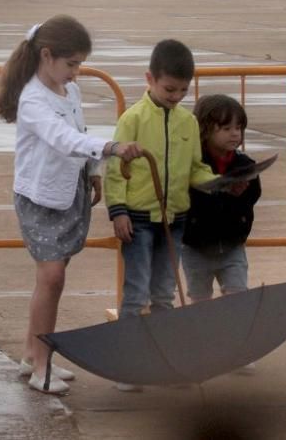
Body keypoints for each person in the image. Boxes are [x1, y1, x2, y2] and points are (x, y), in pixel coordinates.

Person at [0, 15, 142, 395]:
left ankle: (32, 354)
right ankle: (42, 363)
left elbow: (78, 132)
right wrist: (109, 148)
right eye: (72, 63)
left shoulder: (68, 91)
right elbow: (60, 137)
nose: (77, 72)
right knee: (52, 278)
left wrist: (94, 171)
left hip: (69, 190)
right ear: (47, 55)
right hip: (40, 198)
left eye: (79, 64)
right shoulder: (32, 99)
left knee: (53, 281)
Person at [104, 39, 217, 391]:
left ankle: (165, 361)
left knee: (165, 293)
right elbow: (114, 168)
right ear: (149, 79)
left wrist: (219, 183)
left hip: (175, 221)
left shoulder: (187, 121)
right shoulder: (132, 118)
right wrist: (117, 211)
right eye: (169, 89)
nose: (175, 96)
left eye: (183, 90)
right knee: (135, 294)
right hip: (137, 220)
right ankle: (126, 364)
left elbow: (196, 168)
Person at [180, 94, 261, 301]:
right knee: (200, 300)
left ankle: (232, 332)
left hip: (232, 246)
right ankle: (203, 333)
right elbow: (185, 198)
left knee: (237, 296)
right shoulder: (194, 163)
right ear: (205, 130)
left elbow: (253, 195)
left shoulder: (244, 164)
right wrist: (217, 190)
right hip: (195, 247)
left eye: (239, 128)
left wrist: (242, 192)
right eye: (226, 129)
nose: (235, 134)